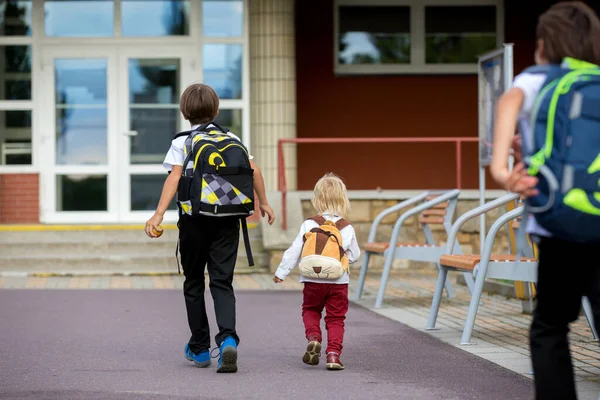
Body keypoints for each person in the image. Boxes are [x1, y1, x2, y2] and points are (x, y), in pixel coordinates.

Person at [490, 3, 600, 399]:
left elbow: (507, 103)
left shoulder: (539, 77)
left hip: (560, 225)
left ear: (543, 44)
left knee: (551, 327)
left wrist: (504, 172)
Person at [144, 83, 275, 373]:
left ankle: (200, 348)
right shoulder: (232, 137)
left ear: (184, 112)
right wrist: (263, 202)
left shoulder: (182, 141)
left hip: (194, 220)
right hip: (228, 220)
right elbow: (254, 170)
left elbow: (175, 178)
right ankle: (228, 338)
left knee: (193, 282)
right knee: (221, 281)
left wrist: (158, 214)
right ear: (216, 110)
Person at [273, 173, 360, 370]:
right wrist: (342, 261)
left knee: (311, 310)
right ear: (342, 199)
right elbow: (355, 255)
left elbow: (295, 250)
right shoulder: (347, 228)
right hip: (338, 282)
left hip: (312, 280)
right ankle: (333, 356)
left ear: (317, 199)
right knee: (336, 318)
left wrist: (282, 272)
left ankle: (314, 337)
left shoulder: (309, 224)